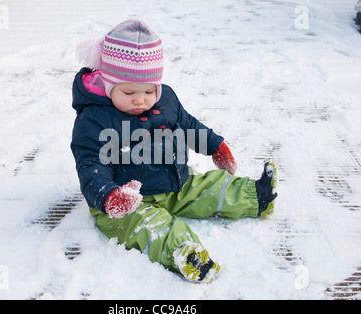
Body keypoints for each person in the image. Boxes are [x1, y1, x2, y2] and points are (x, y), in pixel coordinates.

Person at [70, 19, 277, 283]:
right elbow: (89, 163)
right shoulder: (95, 120)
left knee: (207, 187)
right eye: (129, 91)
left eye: (148, 90)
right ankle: (185, 254)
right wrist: (109, 196)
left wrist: (214, 145)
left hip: (174, 181)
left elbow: (188, 124)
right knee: (149, 226)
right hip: (127, 202)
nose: (140, 99)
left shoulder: (166, 99)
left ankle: (255, 196)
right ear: (109, 85)